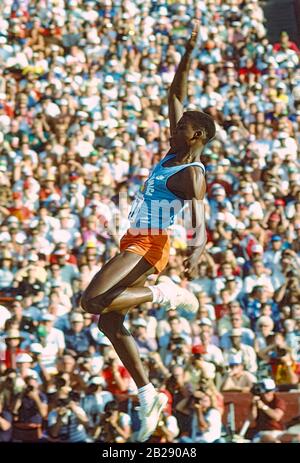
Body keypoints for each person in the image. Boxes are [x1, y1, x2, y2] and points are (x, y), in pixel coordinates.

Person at [80, 21, 216, 442]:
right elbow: (175, 94)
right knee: (108, 321)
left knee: (90, 300)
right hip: (134, 240)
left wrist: (198, 248)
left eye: (180, 127)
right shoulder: (175, 150)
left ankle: (166, 294)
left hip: (150, 243)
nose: (172, 127)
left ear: (196, 135)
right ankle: (146, 392)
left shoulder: (191, 172)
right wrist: (188, 52)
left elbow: (198, 215)